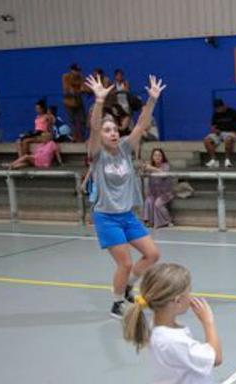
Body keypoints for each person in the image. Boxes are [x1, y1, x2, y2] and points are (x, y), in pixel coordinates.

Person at [88, 73, 166, 318]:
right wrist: (100, 101)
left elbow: (142, 125)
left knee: (152, 254)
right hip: (107, 217)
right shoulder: (97, 154)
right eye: (107, 130)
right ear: (100, 135)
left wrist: (152, 99)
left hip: (127, 215)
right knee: (125, 263)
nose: (112, 133)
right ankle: (117, 302)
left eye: (114, 129)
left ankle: (128, 286)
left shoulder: (124, 149)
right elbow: (93, 127)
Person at [139, 148, 175, 229]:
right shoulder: (150, 166)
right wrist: (143, 168)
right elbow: (142, 174)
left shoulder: (166, 165)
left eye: (159, 155)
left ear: (163, 157)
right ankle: (149, 221)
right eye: (155, 155)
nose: (157, 157)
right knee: (148, 201)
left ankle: (168, 220)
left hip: (165, 193)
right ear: (152, 157)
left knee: (157, 204)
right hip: (153, 193)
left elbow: (163, 173)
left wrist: (152, 168)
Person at [203, 99, 236, 168]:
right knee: (206, 140)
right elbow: (212, 127)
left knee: (228, 139)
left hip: (231, 132)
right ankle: (214, 160)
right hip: (219, 133)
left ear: (223, 106)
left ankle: (227, 160)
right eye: (216, 108)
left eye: (219, 108)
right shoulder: (216, 114)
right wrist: (215, 130)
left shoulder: (232, 112)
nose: (218, 110)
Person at [62, 64, 89, 141]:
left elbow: (85, 88)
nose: (78, 72)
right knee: (72, 120)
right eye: (76, 71)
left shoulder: (81, 77)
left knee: (83, 120)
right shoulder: (66, 77)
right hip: (69, 102)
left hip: (78, 102)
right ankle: (75, 137)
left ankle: (82, 137)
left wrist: (83, 90)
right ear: (71, 70)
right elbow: (67, 89)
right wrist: (79, 90)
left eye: (78, 71)